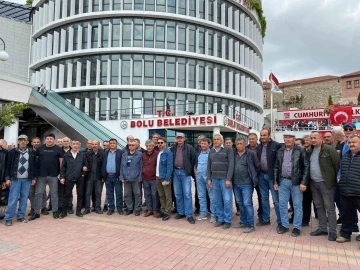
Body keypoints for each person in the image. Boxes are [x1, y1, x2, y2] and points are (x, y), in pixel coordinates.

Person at [273, 131, 309, 237]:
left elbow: (306, 167)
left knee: (297, 205)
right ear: (283, 139)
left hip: (297, 182)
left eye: (290, 137)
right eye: (286, 137)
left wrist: (304, 182)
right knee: (282, 205)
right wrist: (275, 181)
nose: (288, 139)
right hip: (283, 181)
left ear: (294, 139)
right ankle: (284, 225)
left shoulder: (301, 150)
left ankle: (297, 227)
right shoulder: (280, 151)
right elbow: (276, 167)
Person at [308, 131, 340, 241]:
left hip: (326, 183)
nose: (313, 140)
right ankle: (322, 228)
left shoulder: (329, 149)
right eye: (311, 138)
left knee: (329, 207)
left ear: (320, 138)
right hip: (313, 183)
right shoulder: (310, 150)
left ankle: (332, 231)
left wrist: (333, 181)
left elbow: (337, 165)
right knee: (319, 206)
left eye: (315, 138)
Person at [3, 135, 36, 226]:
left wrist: (33, 178)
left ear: (27, 142)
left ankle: (20, 216)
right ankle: (8, 218)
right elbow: (7, 166)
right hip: (15, 179)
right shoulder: (12, 152)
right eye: (20, 140)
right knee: (13, 198)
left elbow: (34, 166)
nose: (22, 142)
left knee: (24, 199)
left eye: (24, 140)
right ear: (18, 142)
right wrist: (7, 178)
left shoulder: (31, 152)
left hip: (27, 179)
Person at [29, 133, 63, 221]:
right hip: (41, 175)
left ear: (54, 140)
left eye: (51, 139)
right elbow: (36, 162)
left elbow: (61, 162)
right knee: (39, 194)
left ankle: (55, 211)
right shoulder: (40, 148)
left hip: (54, 175)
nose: (49, 140)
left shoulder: (58, 149)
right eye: (47, 139)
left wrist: (61, 174)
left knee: (54, 194)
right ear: (45, 139)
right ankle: (36, 212)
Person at [336, 135, 360, 243]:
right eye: (349, 143)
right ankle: (345, 235)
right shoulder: (346, 155)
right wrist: (338, 178)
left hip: (358, 191)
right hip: (345, 191)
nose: (351, 144)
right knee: (346, 215)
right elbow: (341, 169)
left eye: (354, 142)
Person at [207, 134, 234, 229]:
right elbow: (208, 166)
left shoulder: (228, 150)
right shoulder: (211, 151)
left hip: (224, 179)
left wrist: (228, 179)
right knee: (217, 200)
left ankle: (227, 220)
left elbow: (231, 165)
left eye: (218, 139)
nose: (216, 141)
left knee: (227, 200)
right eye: (214, 139)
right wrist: (209, 179)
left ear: (222, 141)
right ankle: (221, 219)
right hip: (214, 179)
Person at [256, 129, 281, 229]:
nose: (262, 137)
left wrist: (277, 177)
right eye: (261, 135)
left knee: (276, 200)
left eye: (264, 135)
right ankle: (266, 219)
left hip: (272, 176)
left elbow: (279, 162)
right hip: (261, 176)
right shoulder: (259, 147)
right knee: (264, 199)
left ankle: (280, 221)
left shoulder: (276, 146)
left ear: (269, 136)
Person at [233, 138, 258, 233]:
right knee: (240, 203)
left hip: (247, 183)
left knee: (247, 203)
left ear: (244, 144)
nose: (239, 145)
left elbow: (257, 166)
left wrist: (254, 177)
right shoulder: (233, 154)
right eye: (237, 144)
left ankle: (250, 224)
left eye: (241, 143)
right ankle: (243, 221)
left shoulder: (251, 153)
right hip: (236, 183)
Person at [171, 133, 196, 224]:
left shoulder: (189, 148)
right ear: (176, 139)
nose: (179, 139)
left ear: (184, 139)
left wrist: (190, 171)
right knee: (178, 194)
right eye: (178, 138)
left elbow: (193, 160)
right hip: (176, 172)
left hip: (185, 173)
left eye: (181, 138)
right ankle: (181, 212)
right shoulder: (173, 148)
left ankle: (189, 214)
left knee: (187, 194)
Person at [59, 140, 88, 218]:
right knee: (67, 195)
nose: (75, 145)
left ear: (79, 145)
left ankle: (78, 211)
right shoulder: (67, 155)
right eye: (74, 144)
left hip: (79, 178)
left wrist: (83, 173)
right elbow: (63, 167)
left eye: (77, 144)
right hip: (69, 178)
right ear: (71, 145)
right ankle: (64, 212)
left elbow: (86, 165)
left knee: (80, 195)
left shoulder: (82, 155)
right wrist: (62, 177)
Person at [194, 138, 215, 222]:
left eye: (204, 143)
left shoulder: (212, 153)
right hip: (199, 177)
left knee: (212, 197)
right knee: (201, 196)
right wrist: (195, 173)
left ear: (209, 144)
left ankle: (214, 214)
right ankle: (203, 213)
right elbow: (195, 164)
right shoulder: (198, 153)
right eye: (201, 143)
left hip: (208, 178)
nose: (202, 145)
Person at [120, 140, 143, 216]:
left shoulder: (139, 154)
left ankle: (137, 209)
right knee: (127, 194)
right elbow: (122, 166)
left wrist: (140, 177)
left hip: (136, 178)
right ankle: (129, 208)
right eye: (129, 145)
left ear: (136, 146)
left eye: (133, 145)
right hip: (126, 178)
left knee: (137, 194)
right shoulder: (124, 155)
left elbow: (141, 167)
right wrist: (121, 176)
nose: (131, 146)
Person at [102, 138, 123, 215]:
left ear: (116, 144)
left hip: (117, 176)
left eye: (114, 143)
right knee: (109, 193)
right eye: (111, 143)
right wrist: (103, 176)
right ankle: (111, 208)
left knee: (119, 193)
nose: (112, 144)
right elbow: (103, 165)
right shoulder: (105, 153)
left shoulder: (121, 153)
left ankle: (119, 208)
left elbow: (122, 165)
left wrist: (121, 176)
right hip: (108, 176)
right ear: (109, 144)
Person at [246, 133, 264, 224]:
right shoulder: (245, 149)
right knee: (247, 198)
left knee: (261, 197)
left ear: (257, 139)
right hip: (247, 179)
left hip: (259, 177)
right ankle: (248, 216)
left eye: (253, 139)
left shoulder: (261, 148)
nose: (251, 140)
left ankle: (261, 215)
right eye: (250, 139)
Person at [28, 137, 47, 216]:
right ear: (32, 143)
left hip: (41, 175)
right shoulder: (28, 151)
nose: (36, 143)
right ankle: (33, 208)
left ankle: (43, 207)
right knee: (31, 192)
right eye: (34, 142)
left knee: (42, 192)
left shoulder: (44, 151)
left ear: (40, 142)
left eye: (37, 142)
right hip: (31, 175)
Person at [156, 137, 173, 221]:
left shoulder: (168, 153)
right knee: (161, 195)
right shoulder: (159, 152)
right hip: (158, 176)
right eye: (158, 143)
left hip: (164, 177)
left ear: (165, 143)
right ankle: (162, 210)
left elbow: (169, 167)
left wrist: (167, 179)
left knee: (167, 196)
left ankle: (167, 212)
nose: (160, 144)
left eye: (161, 143)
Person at [83, 140, 103, 214]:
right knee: (88, 193)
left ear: (98, 145)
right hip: (89, 177)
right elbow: (84, 163)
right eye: (93, 144)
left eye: (96, 144)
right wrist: (84, 167)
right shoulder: (87, 154)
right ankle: (87, 208)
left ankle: (97, 208)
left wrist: (103, 176)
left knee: (98, 193)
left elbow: (103, 166)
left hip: (98, 177)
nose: (94, 145)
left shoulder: (102, 154)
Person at [142, 140, 159, 217]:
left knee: (154, 194)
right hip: (145, 178)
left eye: (150, 146)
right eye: (147, 146)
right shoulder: (143, 155)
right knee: (147, 195)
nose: (148, 147)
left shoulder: (157, 154)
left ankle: (155, 210)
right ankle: (149, 209)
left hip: (154, 178)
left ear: (153, 146)